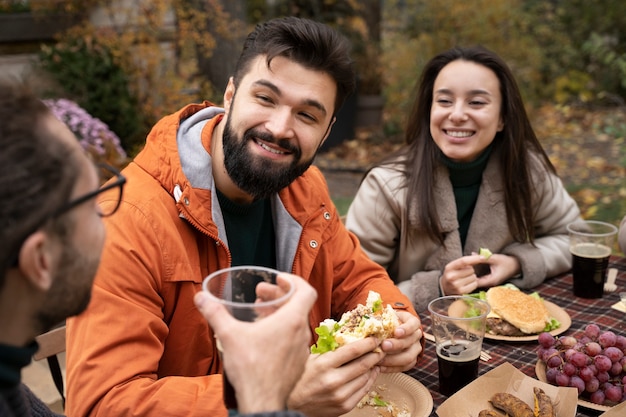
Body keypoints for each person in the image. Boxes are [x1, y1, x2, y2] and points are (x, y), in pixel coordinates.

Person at [65, 16, 423, 417]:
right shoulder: (125, 219)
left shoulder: (307, 189)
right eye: (265, 99)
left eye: (307, 116)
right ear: (230, 94)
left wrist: (397, 319)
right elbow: (101, 403)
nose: (279, 127)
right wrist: (273, 395)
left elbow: (357, 279)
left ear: (326, 132)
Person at [0, 78, 317, 417]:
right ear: (41, 260)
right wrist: (265, 397)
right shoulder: (139, 219)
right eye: (93, 202)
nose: (109, 216)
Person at [346, 46, 582, 312]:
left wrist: (516, 263)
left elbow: (576, 238)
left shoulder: (527, 170)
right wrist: (437, 288)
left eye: (477, 102)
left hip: (500, 328)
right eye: (444, 101)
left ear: (503, 117)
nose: (457, 114)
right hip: (411, 334)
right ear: (429, 110)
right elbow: (353, 290)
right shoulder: (387, 185)